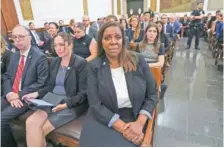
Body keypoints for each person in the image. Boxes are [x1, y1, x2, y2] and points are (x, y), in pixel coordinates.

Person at [79, 22, 157, 147]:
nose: (113, 42)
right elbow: (95, 103)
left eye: (117, 37)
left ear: (123, 40)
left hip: (133, 117)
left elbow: (152, 94)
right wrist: (124, 129)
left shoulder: (138, 60)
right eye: (107, 38)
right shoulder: (94, 66)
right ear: (101, 42)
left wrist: (139, 124)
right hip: (103, 117)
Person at [23, 32, 88, 147]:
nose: (58, 48)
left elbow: (83, 94)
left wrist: (66, 105)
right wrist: (36, 94)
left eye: (61, 44)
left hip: (70, 103)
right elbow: (49, 86)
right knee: (30, 123)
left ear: (70, 45)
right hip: (51, 99)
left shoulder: (81, 63)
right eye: (55, 45)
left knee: (40, 130)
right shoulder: (55, 62)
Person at [1, 25, 49, 147]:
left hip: (27, 97)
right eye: (14, 37)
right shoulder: (15, 55)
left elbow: (41, 83)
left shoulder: (39, 57)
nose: (17, 40)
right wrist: (9, 93)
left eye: (21, 37)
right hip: (11, 94)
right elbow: (7, 76)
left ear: (29, 38)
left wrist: (18, 94)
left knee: (1, 120)